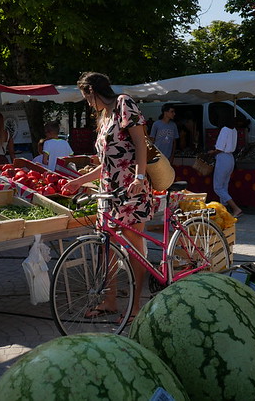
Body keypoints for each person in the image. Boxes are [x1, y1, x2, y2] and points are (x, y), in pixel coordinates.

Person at [63, 71, 155, 324]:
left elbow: (140, 144)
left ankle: (136, 306)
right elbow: (107, 163)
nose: (87, 102)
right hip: (108, 190)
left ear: (91, 90)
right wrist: (78, 182)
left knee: (135, 248)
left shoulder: (124, 103)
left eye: (85, 96)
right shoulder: (103, 117)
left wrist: (139, 177)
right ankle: (110, 300)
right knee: (107, 248)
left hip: (131, 189)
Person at [208, 115, 243, 218]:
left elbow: (219, 148)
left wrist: (212, 152)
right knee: (224, 186)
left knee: (218, 187)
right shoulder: (234, 130)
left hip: (223, 158)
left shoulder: (224, 130)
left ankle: (235, 208)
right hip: (230, 158)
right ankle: (224, 210)